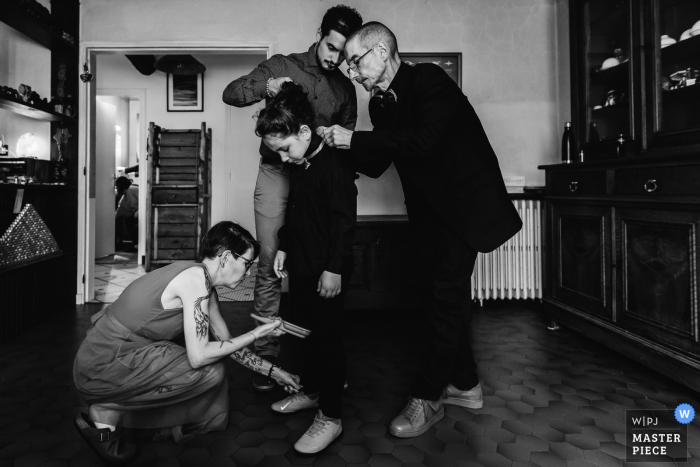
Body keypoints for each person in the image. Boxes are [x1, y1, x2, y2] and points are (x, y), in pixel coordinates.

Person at [320, 22, 523, 438]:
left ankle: (428, 396)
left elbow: (425, 140)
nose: (354, 75)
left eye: (356, 62)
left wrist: (354, 140)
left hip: (465, 208)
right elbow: (378, 162)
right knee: (440, 296)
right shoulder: (379, 106)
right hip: (430, 213)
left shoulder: (429, 79)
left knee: (442, 296)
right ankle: (465, 385)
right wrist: (327, 149)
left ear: (381, 50)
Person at [73, 221, 301, 465]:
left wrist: (276, 372)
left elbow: (229, 346)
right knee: (208, 370)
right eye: (247, 264)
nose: (247, 273)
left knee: (214, 366)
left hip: (119, 353)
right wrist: (256, 334)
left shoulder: (202, 283)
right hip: (104, 360)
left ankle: (127, 417)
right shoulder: (195, 279)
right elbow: (199, 356)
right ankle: (108, 412)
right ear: (225, 258)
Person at [222, 4, 362, 392]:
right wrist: (263, 89)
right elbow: (230, 93)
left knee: (313, 263)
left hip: (317, 177)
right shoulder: (282, 65)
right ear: (320, 34)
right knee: (269, 262)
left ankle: (320, 363)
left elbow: (344, 146)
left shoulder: (346, 88)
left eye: (343, 52)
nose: (336, 59)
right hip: (276, 173)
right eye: (332, 48)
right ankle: (266, 358)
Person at [255, 82, 357, 453]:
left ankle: (330, 416)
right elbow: (297, 215)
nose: (282, 159)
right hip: (300, 266)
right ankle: (312, 393)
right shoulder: (300, 164)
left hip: (327, 272)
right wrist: (283, 246)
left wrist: (334, 269)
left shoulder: (334, 168)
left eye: (284, 149)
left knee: (329, 343)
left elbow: (343, 225)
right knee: (305, 337)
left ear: (304, 132)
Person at [115, 176, 138, 252]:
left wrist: (139, 211)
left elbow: (146, 199)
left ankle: (136, 245)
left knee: (130, 222)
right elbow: (119, 211)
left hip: (144, 213)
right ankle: (136, 245)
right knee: (129, 222)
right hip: (137, 215)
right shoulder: (124, 197)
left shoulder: (133, 189)